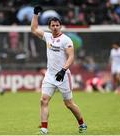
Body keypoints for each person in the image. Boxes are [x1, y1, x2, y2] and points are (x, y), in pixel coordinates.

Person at [31, 6, 87, 134]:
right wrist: (35, 14)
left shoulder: (66, 40)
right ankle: (44, 128)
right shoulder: (48, 37)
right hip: (50, 75)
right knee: (43, 100)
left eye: (57, 25)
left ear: (60, 26)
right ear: (50, 27)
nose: (55, 27)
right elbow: (34, 29)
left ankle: (82, 124)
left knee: (69, 104)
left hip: (63, 76)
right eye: (53, 25)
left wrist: (63, 70)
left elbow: (71, 56)